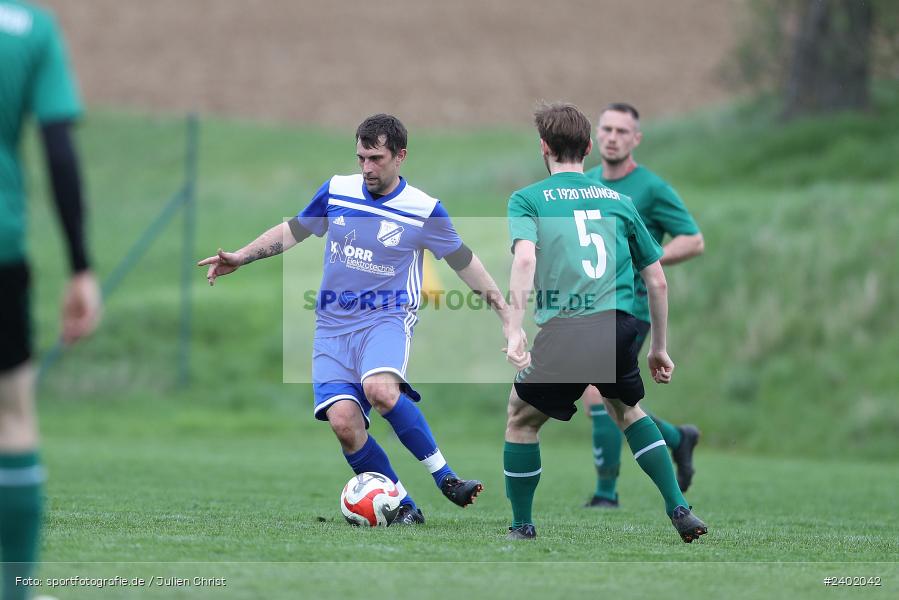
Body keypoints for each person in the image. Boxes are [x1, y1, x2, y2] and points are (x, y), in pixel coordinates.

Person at [199, 114, 515, 525]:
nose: (367, 167)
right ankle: (402, 505)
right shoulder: (337, 190)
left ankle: (446, 478)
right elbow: (293, 230)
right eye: (361, 157)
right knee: (344, 424)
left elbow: (464, 262)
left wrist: (505, 312)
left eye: (376, 158)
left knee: (380, 389)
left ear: (400, 156)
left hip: (386, 319)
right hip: (332, 327)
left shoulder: (424, 210)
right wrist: (241, 256)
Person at [501, 102, 707, 542]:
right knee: (627, 409)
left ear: (544, 147)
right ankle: (680, 510)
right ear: (590, 147)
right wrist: (659, 347)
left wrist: (514, 326)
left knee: (520, 419)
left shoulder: (528, 198)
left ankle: (521, 526)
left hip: (567, 329)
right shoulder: (619, 200)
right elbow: (657, 280)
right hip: (619, 324)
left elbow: (523, 258)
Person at [0, 2, 102, 598]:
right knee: (12, 416)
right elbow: (58, 148)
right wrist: (81, 266)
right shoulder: (29, 28)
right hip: (2, 246)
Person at [581, 103, 705, 508]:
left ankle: (605, 495)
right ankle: (676, 438)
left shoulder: (651, 188)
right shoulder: (585, 182)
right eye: (606, 129)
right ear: (595, 135)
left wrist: (648, 258)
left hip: (631, 305)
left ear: (636, 139)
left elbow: (693, 239)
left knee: (599, 393)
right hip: (589, 304)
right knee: (616, 402)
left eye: (622, 131)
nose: (612, 137)